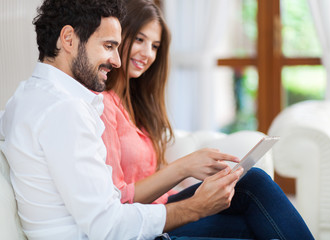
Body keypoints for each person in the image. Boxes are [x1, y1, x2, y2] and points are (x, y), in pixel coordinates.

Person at [0, 0, 246, 239]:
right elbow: (107, 226)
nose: (117, 61)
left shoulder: (25, 97)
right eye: (108, 46)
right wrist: (195, 208)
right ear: (68, 39)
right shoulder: (66, 110)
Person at [101, 0, 315, 239]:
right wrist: (183, 167)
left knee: (253, 203)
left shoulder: (137, 106)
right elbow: (116, 198)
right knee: (254, 193)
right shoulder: (102, 105)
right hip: (144, 220)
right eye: (140, 40)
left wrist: (193, 187)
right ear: (118, 36)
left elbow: (148, 175)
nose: (147, 53)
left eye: (155, 46)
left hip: (163, 206)